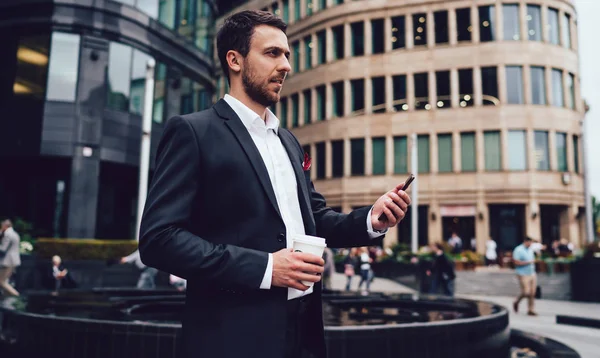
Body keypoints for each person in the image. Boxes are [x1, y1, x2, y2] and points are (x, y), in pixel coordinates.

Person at [138, 10, 412, 358]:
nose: (285, 65)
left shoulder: (288, 142)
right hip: (231, 340)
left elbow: (314, 219)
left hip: (302, 334)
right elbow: (158, 240)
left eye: (286, 55)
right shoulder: (193, 132)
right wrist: (266, 268)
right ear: (234, 60)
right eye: (272, 53)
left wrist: (371, 219)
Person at [512, 237, 538, 316]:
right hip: (522, 273)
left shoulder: (530, 250)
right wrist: (528, 262)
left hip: (532, 273)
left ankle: (531, 310)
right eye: (530, 243)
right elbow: (516, 262)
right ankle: (516, 302)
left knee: (532, 293)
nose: (531, 244)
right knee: (526, 292)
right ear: (525, 242)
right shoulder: (518, 250)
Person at [0, 219, 21, 297]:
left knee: (2, 282)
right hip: (13, 261)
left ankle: (17, 297)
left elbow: (3, 249)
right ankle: (7, 300)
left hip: (7, 261)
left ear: (5, 226)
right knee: (5, 281)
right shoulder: (15, 234)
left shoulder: (7, 234)